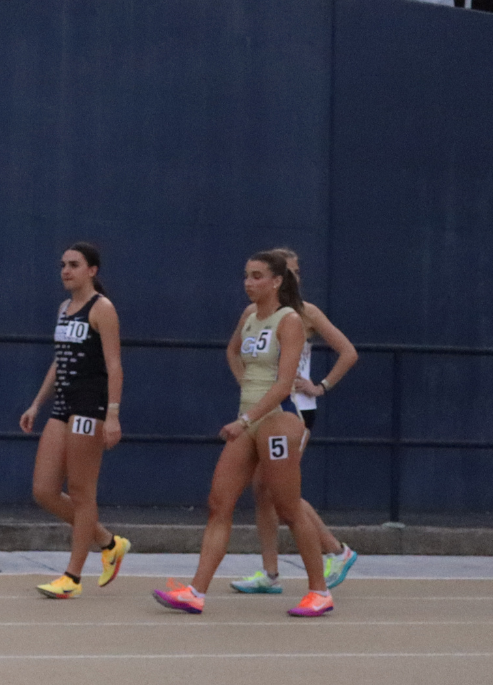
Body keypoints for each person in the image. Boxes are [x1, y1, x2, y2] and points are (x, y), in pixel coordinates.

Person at [154, 250, 334, 617]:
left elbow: (283, 384)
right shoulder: (251, 318)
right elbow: (234, 353)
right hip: (250, 421)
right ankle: (195, 591)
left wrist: (247, 417)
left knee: (288, 508)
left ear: (277, 281)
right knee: (219, 503)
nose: (248, 283)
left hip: (278, 420)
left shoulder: (290, 321)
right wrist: (246, 400)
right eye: (246, 276)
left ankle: (319, 591)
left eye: (257, 276)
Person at [231, 248, 361, 595]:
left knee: (280, 489)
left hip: (294, 410)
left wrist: (321, 386)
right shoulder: (255, 313)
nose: (294, 277)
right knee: (262, 491)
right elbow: (233, 352)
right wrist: (248, 385)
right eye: (289, 271)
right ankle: (270, 572)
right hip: (263, 408)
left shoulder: (305, 313)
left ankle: (336, 550)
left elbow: (348, 352)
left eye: (296, 271)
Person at [19, 243, 131, 599]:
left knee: (82, 492)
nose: (66, 271)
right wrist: (37, 403)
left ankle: (72, 576)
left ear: (92, 270)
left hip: (90, 406)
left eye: (74, 265)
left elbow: (114, 365)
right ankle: (109, 543)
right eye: (63, 265)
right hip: (63, 404)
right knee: (44, 490)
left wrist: (112, 414)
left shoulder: (102, 309)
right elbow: (60, 360)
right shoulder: (64, 309)